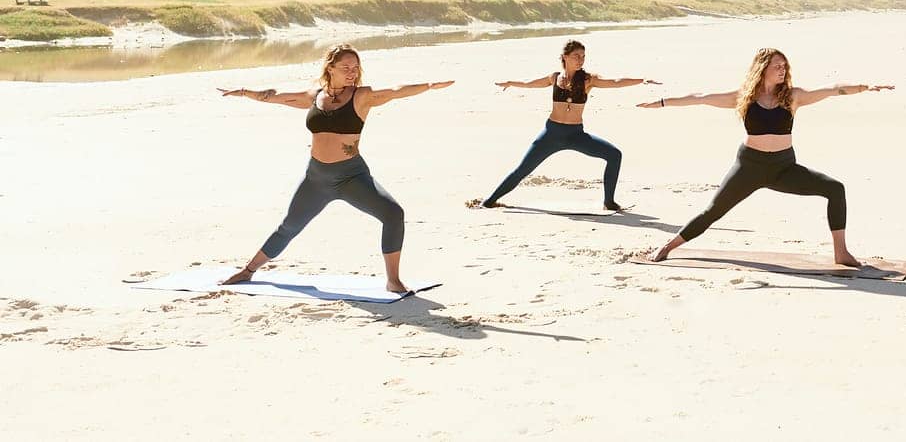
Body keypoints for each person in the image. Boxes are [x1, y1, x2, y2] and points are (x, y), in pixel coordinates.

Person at [216, 43, 453, 293]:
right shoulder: (314, 96)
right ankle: (248, 271)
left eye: (355, 67)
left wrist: (428, 86)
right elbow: (276, 96)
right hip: (316, 178)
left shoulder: (362, 97)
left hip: (351, 177)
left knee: (393, 214)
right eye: (345, 67)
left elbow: (394, 91)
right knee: (289, 226)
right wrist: (244, 92)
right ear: (330, 68)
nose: (352, 71)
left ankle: (393, 280)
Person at [641, 47, 893, 266]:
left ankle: (841, 252)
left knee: (835, 189)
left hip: (784, 167)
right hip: (749, 167)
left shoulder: (793, 96)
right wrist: (662, 102)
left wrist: (864, 87)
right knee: (714, 211)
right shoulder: (743, 98)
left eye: (785, 66)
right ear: (763, 68)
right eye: (777, 66)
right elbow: (699, 98)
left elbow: (832, 89)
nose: (782, 70)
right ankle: (668, 247)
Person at [478, 39, 659, 211]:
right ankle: (489, 202)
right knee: (522, 169)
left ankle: (609, 202)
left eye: (583, 56)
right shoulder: (554, 78)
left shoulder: (589, 80)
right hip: (551, 134)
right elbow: (530, 84)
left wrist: (641, 80)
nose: (580, 60)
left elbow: (616, 82)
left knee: (614, 155)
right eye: (576, 56)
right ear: (565, 57)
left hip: (576, 135)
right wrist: (511, 83)